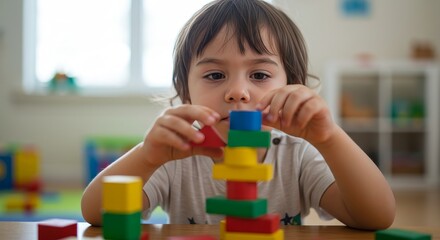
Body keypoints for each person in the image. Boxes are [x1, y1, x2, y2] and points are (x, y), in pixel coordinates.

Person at [81, 0, 395, 230]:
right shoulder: (173, 158)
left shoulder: (297, 155)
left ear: (292, 86)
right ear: (185, 91)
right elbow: (96, 214)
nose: (237, 92)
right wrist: (147, 157)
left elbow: (376, 217)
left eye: (259, 75)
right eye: (215, 75)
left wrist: (330, 138)